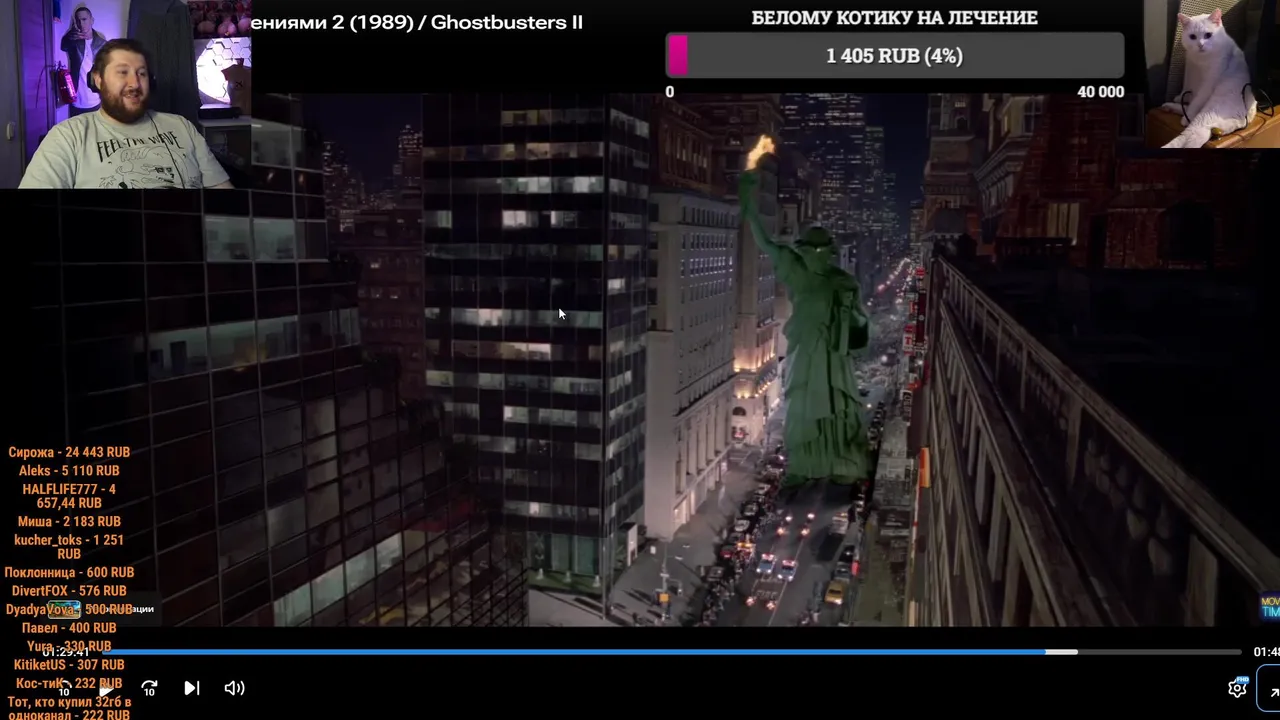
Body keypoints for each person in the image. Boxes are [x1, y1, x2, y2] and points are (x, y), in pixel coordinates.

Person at [738, 135, 870, 488]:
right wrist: (749, 203)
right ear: (804, 251)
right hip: (804, 351)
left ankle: (835, 457)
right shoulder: (795, 270)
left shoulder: (843, 282)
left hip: (831, 354)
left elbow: (861, 327)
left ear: (829, 253)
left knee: (835, 405)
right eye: (811, 251)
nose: (817, 257)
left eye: (822, 252)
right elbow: (764, 241)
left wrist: (850, 314)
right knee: (802, 406)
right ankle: (806, 459)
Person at [20, 38, 233, 189]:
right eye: (122, 72)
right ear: (98, 80)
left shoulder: (182, 126)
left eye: (142, 73)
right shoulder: (67, 136)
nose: (135, 83)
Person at [60, 5, 106, 117]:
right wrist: (69, 34)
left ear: (92, 20)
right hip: (76, 99)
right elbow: (63, 46)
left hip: (95, 100)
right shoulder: (73, 41)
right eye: (78, 20)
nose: (81, 24)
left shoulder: (102, 43)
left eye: (84, 19)